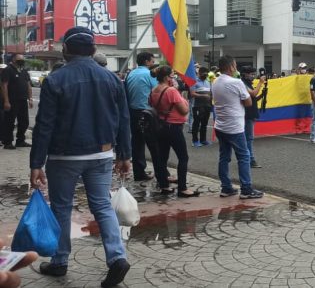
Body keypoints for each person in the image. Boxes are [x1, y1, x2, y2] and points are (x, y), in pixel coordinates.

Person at [29, 27, 132, 287]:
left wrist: (36, 163)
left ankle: (60, 261)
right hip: (102, 153)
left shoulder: (56, 80)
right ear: (94, 50)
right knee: (102, 205)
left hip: (64, 157)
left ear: (65, 51)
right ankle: (117, 257)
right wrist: (124, 154)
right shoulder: (112, 80)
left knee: (61, 208)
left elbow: (44, 125)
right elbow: (123, 120)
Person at [212, 55, 264, 199]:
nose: (236, 68)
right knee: (244, 156)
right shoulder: (236, 82)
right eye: (235, 65)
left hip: (220, 125)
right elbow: (248, 102)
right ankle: (246, 189)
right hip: (234, 126)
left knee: (224, 157)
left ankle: (226, 187)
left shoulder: (215, 81)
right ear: (231, 67)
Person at [149, 66, 199, 198]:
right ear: (166, 78)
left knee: (162, 157)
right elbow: (184, 110)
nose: (174, 79)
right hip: (174, 126)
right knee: (183, 157)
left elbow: (152, 104)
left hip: (160, 126)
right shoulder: (171, 91)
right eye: (172, 76)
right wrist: (184, 100)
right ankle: (182, 188)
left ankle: (164, 185)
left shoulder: (154, 89)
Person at [124, 51, 159, 181]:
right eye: (152, 60)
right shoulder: (150, 74)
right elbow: (157, 91)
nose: (153, 63)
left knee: (137, 143)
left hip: (133, 112)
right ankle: (161, 173)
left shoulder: (131, 73)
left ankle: (139, 173)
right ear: (147, 62)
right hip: (148, 113)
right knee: (155, 145)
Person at [2, 53, 33, 149]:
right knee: (9, 122)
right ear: (13, 59)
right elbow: (4, 86)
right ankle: (7, 142)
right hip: (12, 100)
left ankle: (20, 140)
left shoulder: (24, 71)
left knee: (24, 122)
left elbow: (28, 85)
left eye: (23, 59)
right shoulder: (8, 70)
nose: (22, 61)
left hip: (23, 100)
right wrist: (6, 101)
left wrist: (30, 98)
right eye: (20, 59)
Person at [241, 66, 266, 169]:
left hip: (251, 113)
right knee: (249, 138)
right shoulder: (242, 83)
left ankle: (245, 158)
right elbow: (253, 93)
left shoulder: (248, 84)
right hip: (247, 114)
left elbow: (253, 98)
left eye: (253, 74)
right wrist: (260, 83)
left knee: (248, 138)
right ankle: (250, 159)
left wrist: (263, 95)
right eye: (251, 74)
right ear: (245, 74)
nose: (253, 76)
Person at [190, 67, 212, 147]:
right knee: (196, 123)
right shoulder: (193, 82)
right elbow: (192, 94)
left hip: (207, 106)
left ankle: (203, 140)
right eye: (203, 73)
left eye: (206, 74)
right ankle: (195, 141)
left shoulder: (208, 82)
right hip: (197, 106)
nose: (205, 75)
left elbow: (210, 92)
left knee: (204, 123)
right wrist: (203, 96)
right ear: (199, 73)